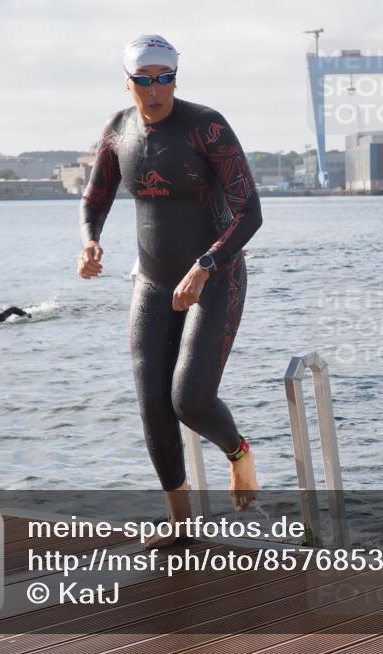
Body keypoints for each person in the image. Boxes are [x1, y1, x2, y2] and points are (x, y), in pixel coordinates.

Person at [78, 34, 262, 542]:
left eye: (165, 78)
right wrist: (90, 243)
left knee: (190, 400)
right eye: (145, 80)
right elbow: (94, 201)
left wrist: (205, 266)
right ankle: (183, 528)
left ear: (175, 79)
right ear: (129, 82)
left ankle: (239, 451)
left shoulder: (207, 127)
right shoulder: (119, 132)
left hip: (215, 276)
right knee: (153, 406)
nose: (156, 89)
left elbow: (250, 214)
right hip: (153, 285)